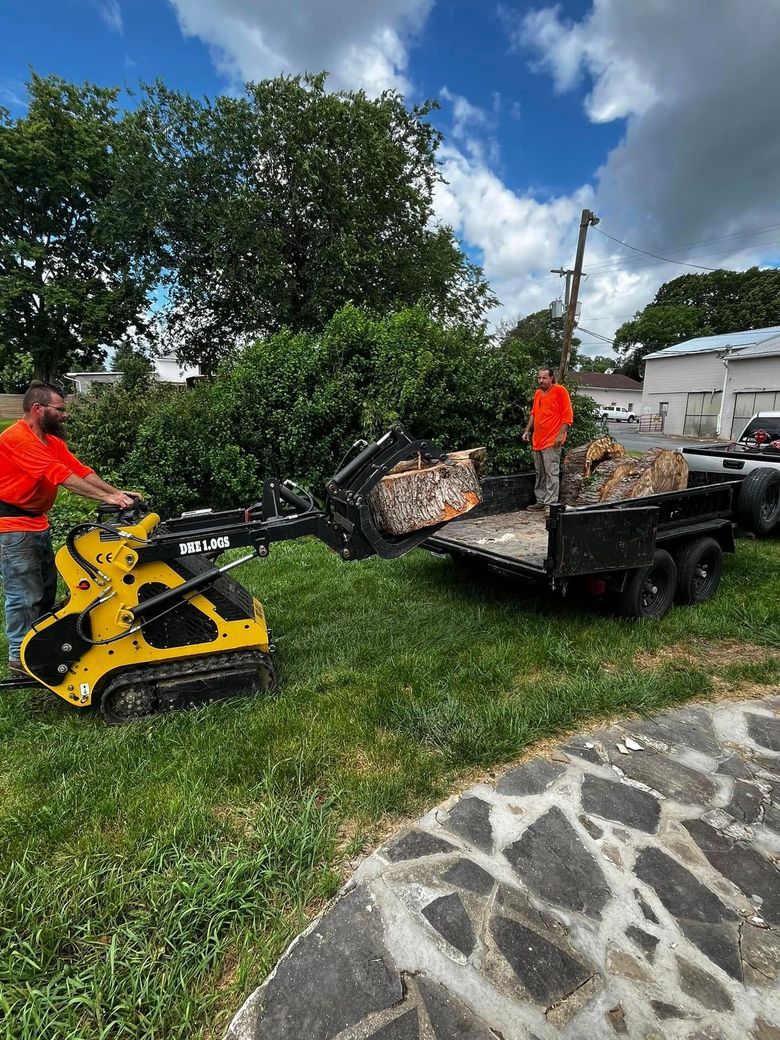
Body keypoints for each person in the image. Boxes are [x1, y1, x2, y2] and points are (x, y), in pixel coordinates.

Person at [0, 381, 139, 675]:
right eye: (60, 409)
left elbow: (80, 470)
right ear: (38, 409)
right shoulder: (17, 439)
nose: (65, 415)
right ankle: (18, 658)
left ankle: (40, 645)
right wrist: (107, 497)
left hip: (37, 520)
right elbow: (60, 475)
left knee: (46, 589)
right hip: (11, 526)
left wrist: (117, 492)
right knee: (24, 593)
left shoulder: (51, 442)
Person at [522, 367, 574, 512]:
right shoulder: (538, 393)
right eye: (539, 378)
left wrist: (560, 435)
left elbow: (567, 416)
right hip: (537, 440)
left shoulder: (560, 391)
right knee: (540, 473)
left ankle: (550, 504)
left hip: (552, 440)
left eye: (544, 378)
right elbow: (534, 414)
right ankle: (540, 501)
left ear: (551, 378)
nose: (541, 381)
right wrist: (527, 430)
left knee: (551, 472)